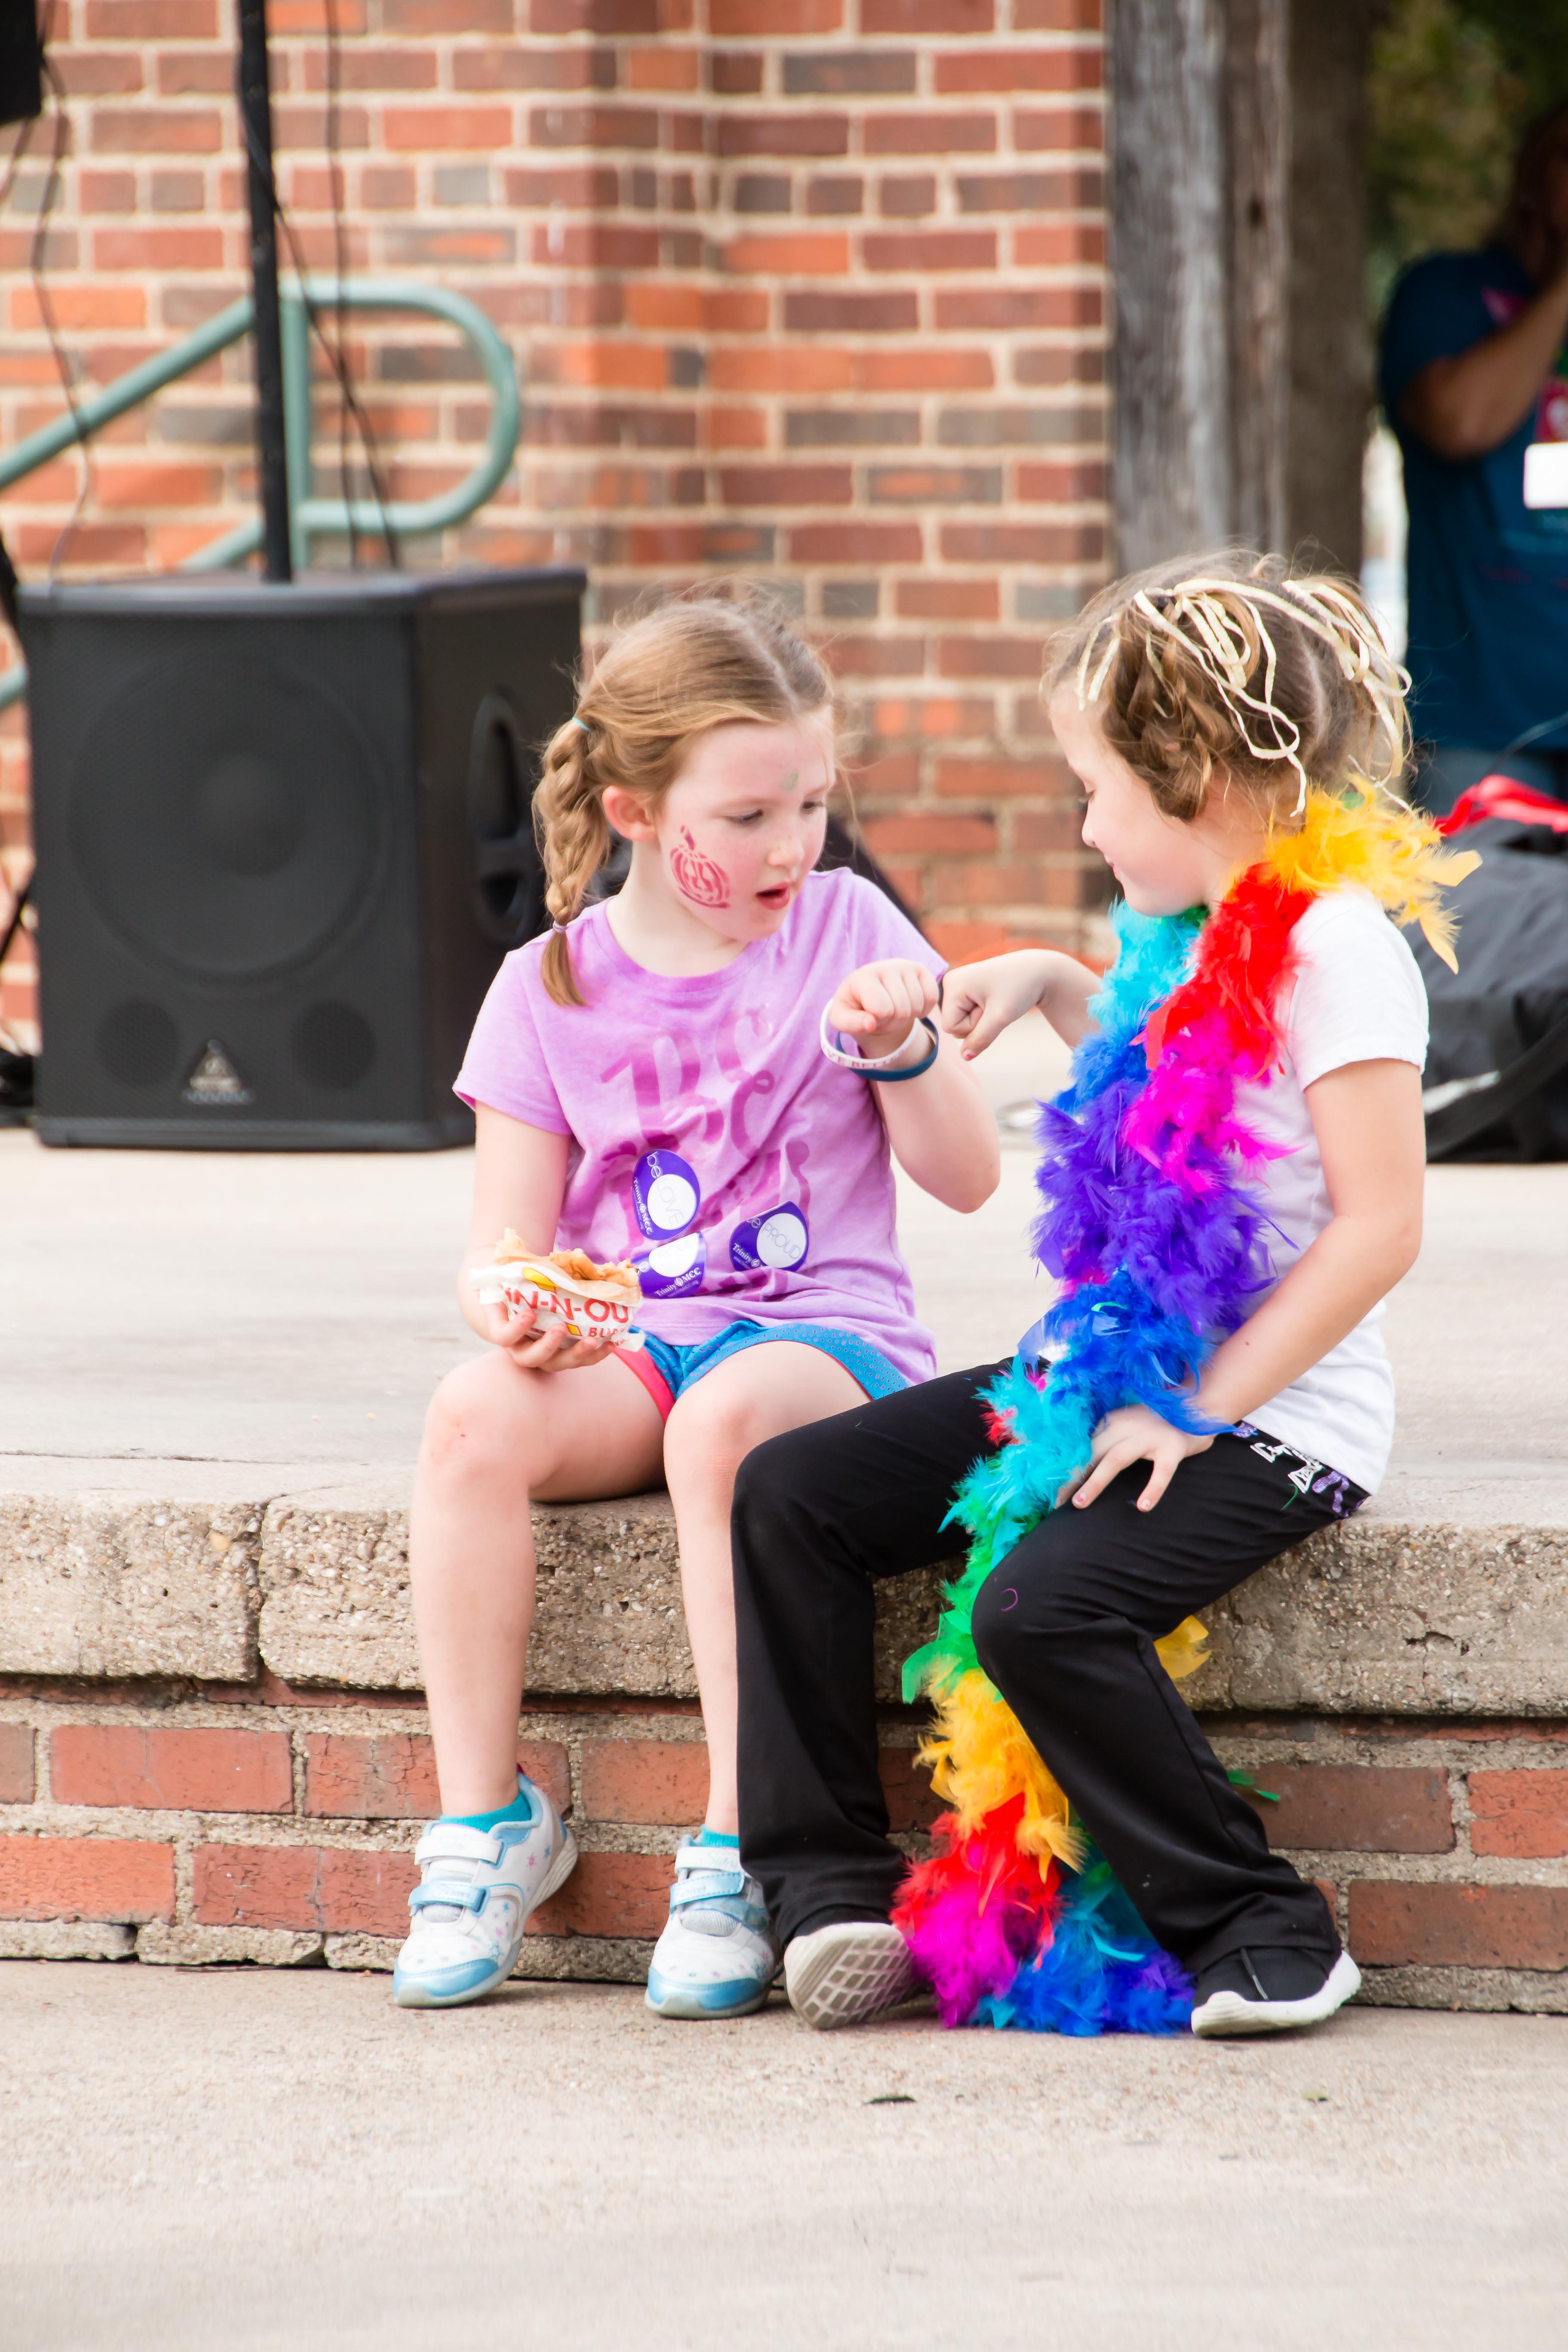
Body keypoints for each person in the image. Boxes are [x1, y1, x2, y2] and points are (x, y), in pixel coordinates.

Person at [732, 552, 1471, 2040]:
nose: (1079, 823)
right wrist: (1044, 979)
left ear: (1191, 777)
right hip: (1113, 1374)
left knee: (1038, 1610)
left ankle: (1262, 1930)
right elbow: (1176, 1067)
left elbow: (1378, 1226)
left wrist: (1198, 1407)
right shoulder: (1182, 929)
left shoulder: (1331, 950)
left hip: (1273, 1412)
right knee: (791, 1491)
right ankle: (823, 1897)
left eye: (1090, 790)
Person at [392, 590, 998, 2019]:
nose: (790, 843)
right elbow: (502, 1244)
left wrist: (908, 1048)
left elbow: (966, 1179)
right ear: (633, 809)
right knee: (471, 1418)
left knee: (725, 1425)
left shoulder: (847, 924)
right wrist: (513, 1307)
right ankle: (485, 1827)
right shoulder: (544, 988)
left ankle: (734, 1840)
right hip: (639, 1336)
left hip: (822, 1331)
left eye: (809, 800)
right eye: (745, 817)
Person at [1381, 98, 1568, 812]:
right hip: (1481, 721)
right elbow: (1460, 421)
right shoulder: (1446, 294)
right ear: (1531, 178)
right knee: (1478, 926)